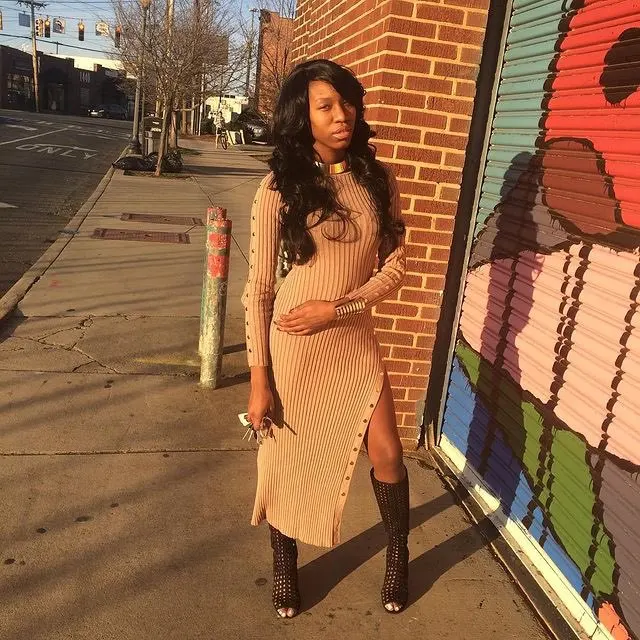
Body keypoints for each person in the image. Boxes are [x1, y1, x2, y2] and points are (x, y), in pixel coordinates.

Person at [242, 59, 408, 619]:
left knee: (387, 452)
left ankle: (398, 553)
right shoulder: (279, 188)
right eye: (326, 106)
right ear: (303, 116)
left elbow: (395, 268)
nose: (342, 115)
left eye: (347, 103)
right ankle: (285, 562)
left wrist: (337, 308)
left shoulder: (378, 180)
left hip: (351, 336)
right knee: (286, 456)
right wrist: (259, 380)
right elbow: (259, 289)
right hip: (294, 344)